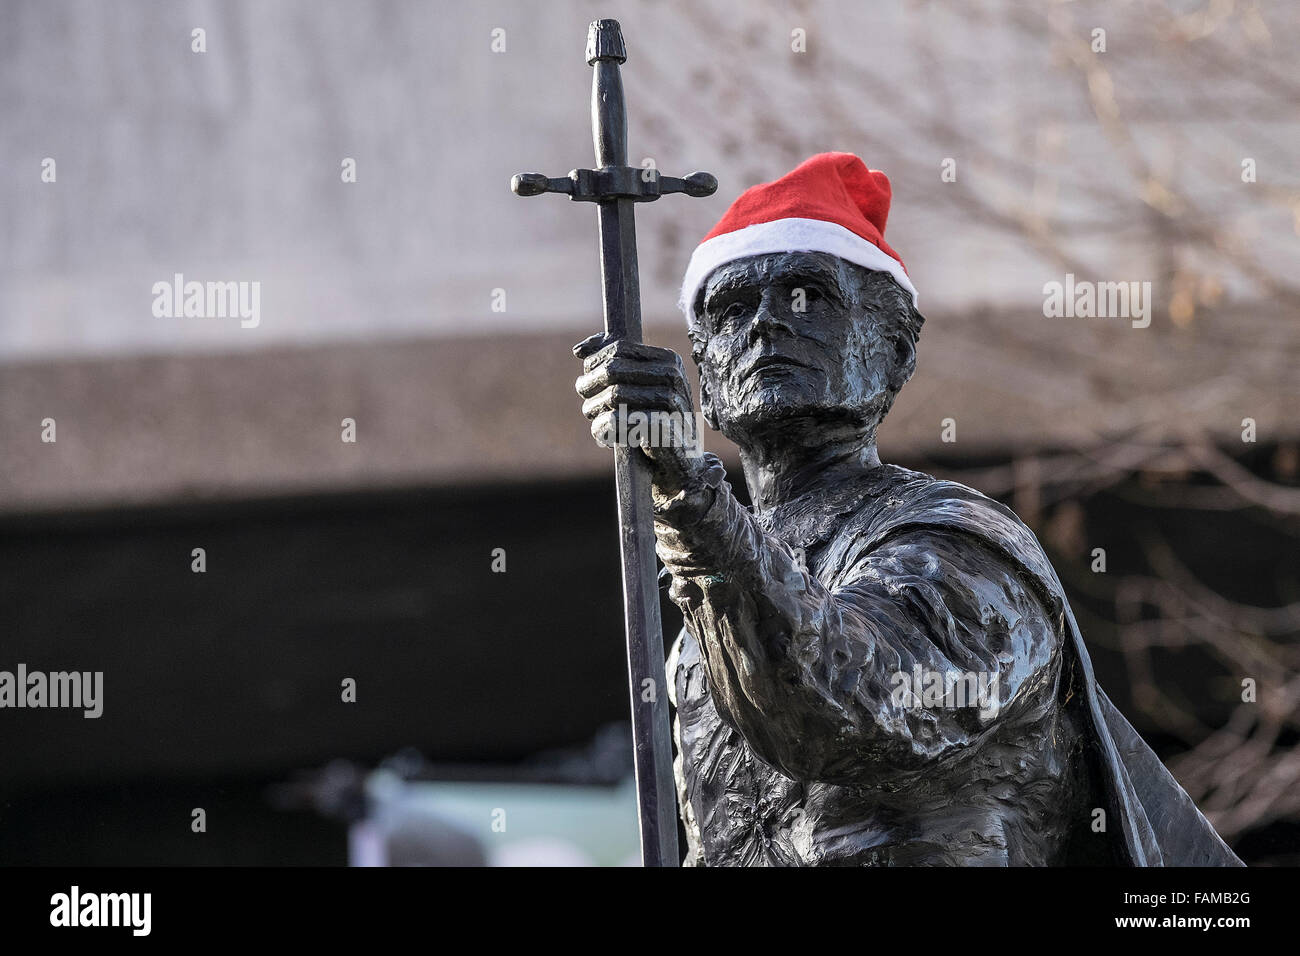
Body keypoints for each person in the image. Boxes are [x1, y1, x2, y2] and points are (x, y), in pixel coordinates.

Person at [574, 152, 1241, 866]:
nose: (767, 323)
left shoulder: (962, 549)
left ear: (895, 349)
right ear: (703, 372)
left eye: (807, 296)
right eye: (732, 310)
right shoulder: (699, 618)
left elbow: (843, 712)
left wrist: (689, 493)